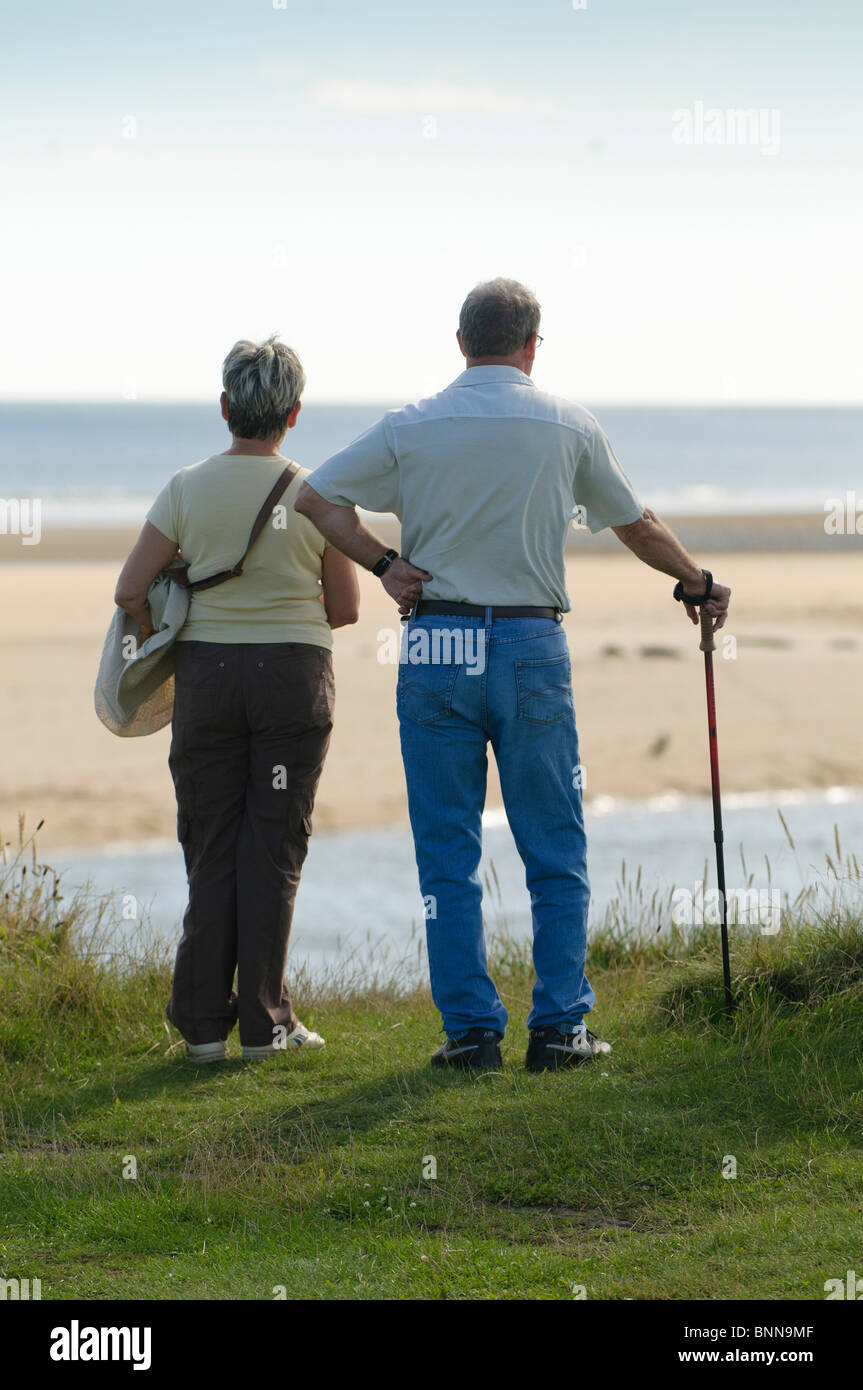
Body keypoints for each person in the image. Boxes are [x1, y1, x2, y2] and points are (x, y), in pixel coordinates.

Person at [295, 278, 730, 1074]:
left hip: (435, 643)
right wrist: (693, 580)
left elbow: (313, 497)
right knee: (552, 842)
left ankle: (470, 1034)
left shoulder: (413, 423)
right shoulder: (567, 422)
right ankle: (559, 1027)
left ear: (460, 342)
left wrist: (384, 565)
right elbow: (635, 523)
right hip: (529, 642)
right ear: (533, 345)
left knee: (445, 848)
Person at [114, 336, 359, 1063]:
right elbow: (343, 610)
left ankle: (200, 1030)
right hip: (292, 679)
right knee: (274, 845)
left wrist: (175, 616)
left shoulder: (186, 487)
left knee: (211, 841)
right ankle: (266, 1025)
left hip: (209, 680)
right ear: (294, 413)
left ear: (225, 406)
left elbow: (131, 591)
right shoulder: (318, 492)